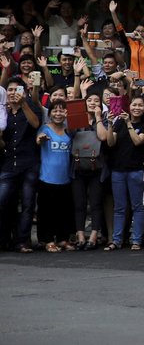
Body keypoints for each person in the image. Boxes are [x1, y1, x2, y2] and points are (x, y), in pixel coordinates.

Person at [0, 78, 42, 253]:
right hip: (8, 163)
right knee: (2, 202)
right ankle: (3, 239)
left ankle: (22, 241)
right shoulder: (3, 113)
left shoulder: (31, 107)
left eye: (16, 89)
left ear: (23, 91)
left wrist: (24, 103)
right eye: (9, 90)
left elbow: (35, 124)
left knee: (27, 204)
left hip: (28, 163)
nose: (12, 93)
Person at [105, 95, 144, 251]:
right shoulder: (119, 122)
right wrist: (110, 124)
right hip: (118, 170)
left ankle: (136, 239)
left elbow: (138, 141)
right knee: (119, 207)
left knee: (137, 206)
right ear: (128, 106)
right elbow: (110, 142)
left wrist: (129, 123)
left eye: (140, 105)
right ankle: (116, 240)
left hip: (135, 170)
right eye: (134, 105)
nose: (136, 108)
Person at [34, 99, 75, 252]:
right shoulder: (45, 128)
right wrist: (41, 139)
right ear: (50, 113)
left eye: (62, 110)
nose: (58, 113)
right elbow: (38, 140)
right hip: (47, 178)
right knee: (46, 212)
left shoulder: (68, 131)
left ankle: (63, 239)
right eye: (55, 110)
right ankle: (47, 240)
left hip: (65, 178)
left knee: (63, 211)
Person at [73, 91, 111, 251]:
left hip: (97, 168)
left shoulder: (103, 121)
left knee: (95, 203)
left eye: (96, 100)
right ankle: (80, 235)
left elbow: (103, 137)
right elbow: (70, 134)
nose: (93, 102)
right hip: (77, 166)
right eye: (89, 100)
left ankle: (94, 235)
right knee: (79, 203)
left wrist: (98, 118)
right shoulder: (78, 119)